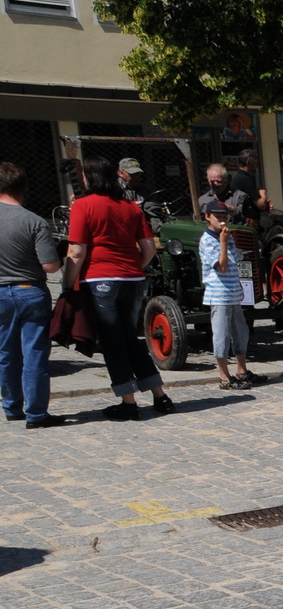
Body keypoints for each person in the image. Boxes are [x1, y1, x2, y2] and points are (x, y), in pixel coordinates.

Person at [64, 157, 172, 420]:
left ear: (89, 179)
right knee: (130, 339)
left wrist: (68, 286)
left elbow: (76, 252)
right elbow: (148, 248)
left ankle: (128, 401)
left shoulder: (82, 205)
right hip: (132, 279)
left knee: (112, 342)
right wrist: (134, 268)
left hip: (100, 278)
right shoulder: (130, 207)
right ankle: (160, 395)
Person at [0, 162, 63, 428]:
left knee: (5, 353)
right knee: (34, 353)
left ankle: (11, 407)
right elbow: (51, 266)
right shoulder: (34, 221)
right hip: (30, 291)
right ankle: (37, 414)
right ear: (23, 188)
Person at [198, 198, 262, 391]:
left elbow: (235, 261)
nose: (222, 220)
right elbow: (222, 267)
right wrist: (224, 243)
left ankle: (241, 370)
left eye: (224, 216)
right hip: (219, 294)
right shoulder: (208, 240)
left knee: (240, 332)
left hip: (233, 292)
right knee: (221, 335)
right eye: (218, 216)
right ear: (208, 217)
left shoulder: (228, 237)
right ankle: (224, 376)